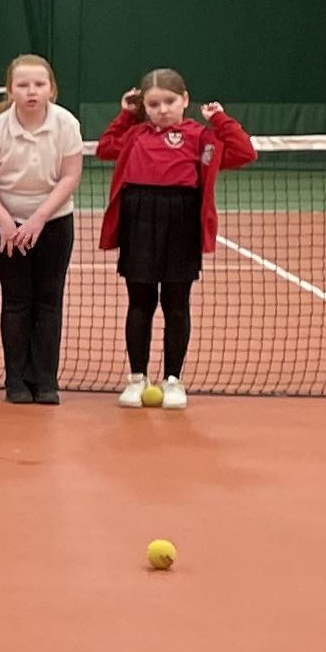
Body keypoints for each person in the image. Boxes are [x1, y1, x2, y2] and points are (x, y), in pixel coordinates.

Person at [95, 70, 256, 408]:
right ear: (144, 106)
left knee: (176, 305)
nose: (162, 109)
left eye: (169, 101)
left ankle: (173, 381)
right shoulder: (135, 134)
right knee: (140, 303)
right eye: (153, 104)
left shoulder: (201, 137)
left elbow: (244, 152)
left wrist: (220, 119)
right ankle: (137, 378)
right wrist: (126, 114)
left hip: (181, 222)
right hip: (139, 219)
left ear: (185, 100)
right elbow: (105, 148)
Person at [0, 55, 86, 405]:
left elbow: (70, 177)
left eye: (39, 84)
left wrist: (39, 219)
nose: (31, 91)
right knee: (17, 300)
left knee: (49, 301)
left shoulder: (66, 124)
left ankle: (46, 382)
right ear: (10, 90)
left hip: (55, 222)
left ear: (51, 88)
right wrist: (6, 222)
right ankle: (16, 381)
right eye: (23, 85)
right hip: (7, 225)